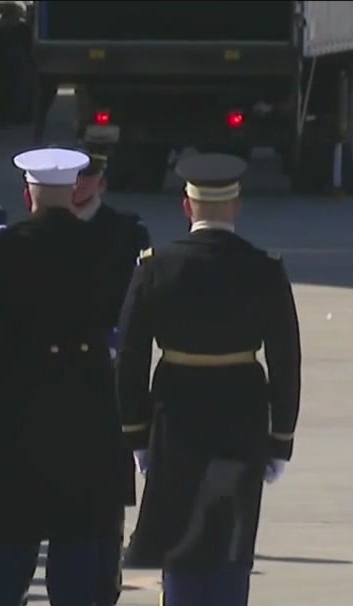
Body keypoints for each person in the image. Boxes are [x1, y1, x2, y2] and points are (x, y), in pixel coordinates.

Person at [117, 154, 302, 606]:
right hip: (242, 410)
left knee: (181, 534)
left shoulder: (157, 265)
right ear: (237, 206)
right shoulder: (264, 267)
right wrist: (281, 438)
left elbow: (131, 356)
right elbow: (285, 360)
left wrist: (136, 432)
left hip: (176, 410)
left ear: (186, 206)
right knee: (231, 535)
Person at [0, 148, 125, 606]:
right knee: (77, 534)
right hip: (85, 402)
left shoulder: (1, 249)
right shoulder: (107, 246)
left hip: (18, 402)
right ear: (75, 191)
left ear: (27, 194)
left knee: (10, 536)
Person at [65, 129, 151, 606]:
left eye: (89, 176)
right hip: (58, 379)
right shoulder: (46, 228)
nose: (80, 185)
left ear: (101, 181)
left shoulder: (126, 232)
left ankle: (104, 581)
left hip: (107, 377)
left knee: (106, 491)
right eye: (72, 177)